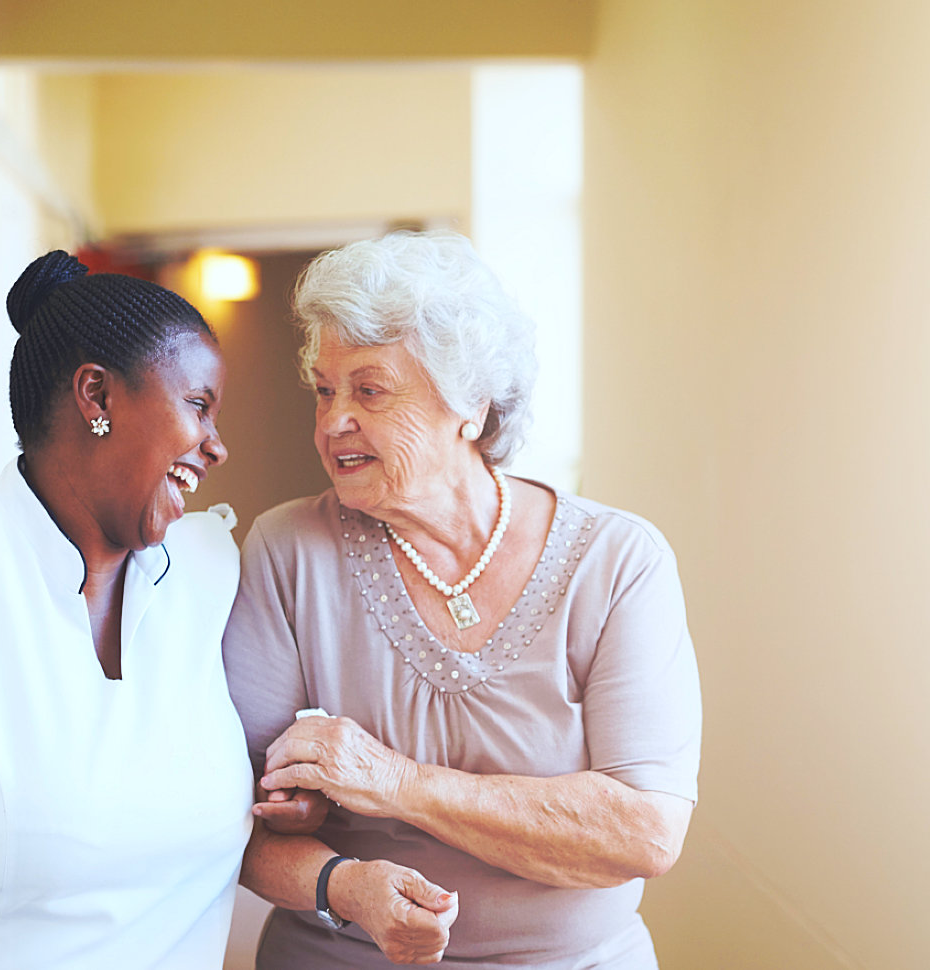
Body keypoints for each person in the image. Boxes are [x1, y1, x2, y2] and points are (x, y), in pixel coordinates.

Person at [0, 249, 400, 970]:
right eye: (198, 406)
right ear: (96, 396)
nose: (217, 445)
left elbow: (217, 777)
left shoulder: (209, 569)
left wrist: (284, 801)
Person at [223, 230, 702, 969]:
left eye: (370, 390)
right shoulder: (287, 550)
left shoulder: (617, 562)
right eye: (325, 389)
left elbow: (644, 831)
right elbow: (223, 816)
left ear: (470, 405)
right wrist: (341, 883)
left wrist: (394, 782)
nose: (332, 421)